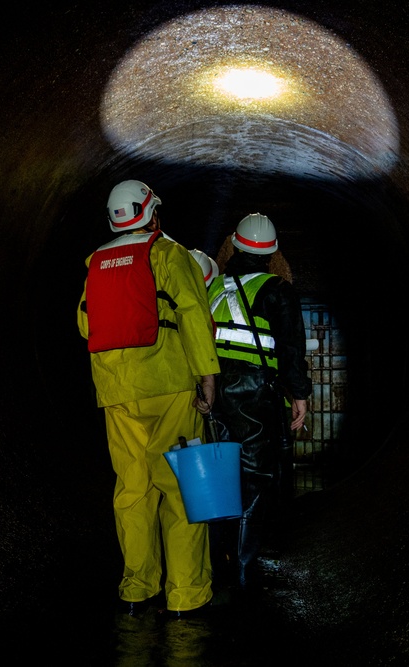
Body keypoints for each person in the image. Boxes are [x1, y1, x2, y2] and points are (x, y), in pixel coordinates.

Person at [77, 179, 220, 618]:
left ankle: (137, 589)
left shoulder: (96, 262)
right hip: (170, 387)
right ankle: (186, 594)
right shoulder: (169, 255)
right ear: (152, 213)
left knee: (133, 491)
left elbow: (85, 325)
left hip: (117, 394)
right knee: (180, 492)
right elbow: (194, 314)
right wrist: (208, 378)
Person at [207, 212, 311, 595]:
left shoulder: (213, 287)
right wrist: (299, 395)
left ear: (234, 244)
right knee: (254, 479)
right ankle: (244, 572)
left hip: (212, 389)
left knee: (218, 476)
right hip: (252, 392)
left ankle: (217, 563)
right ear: (271, 254)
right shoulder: (277, 291)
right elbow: (290, 349)